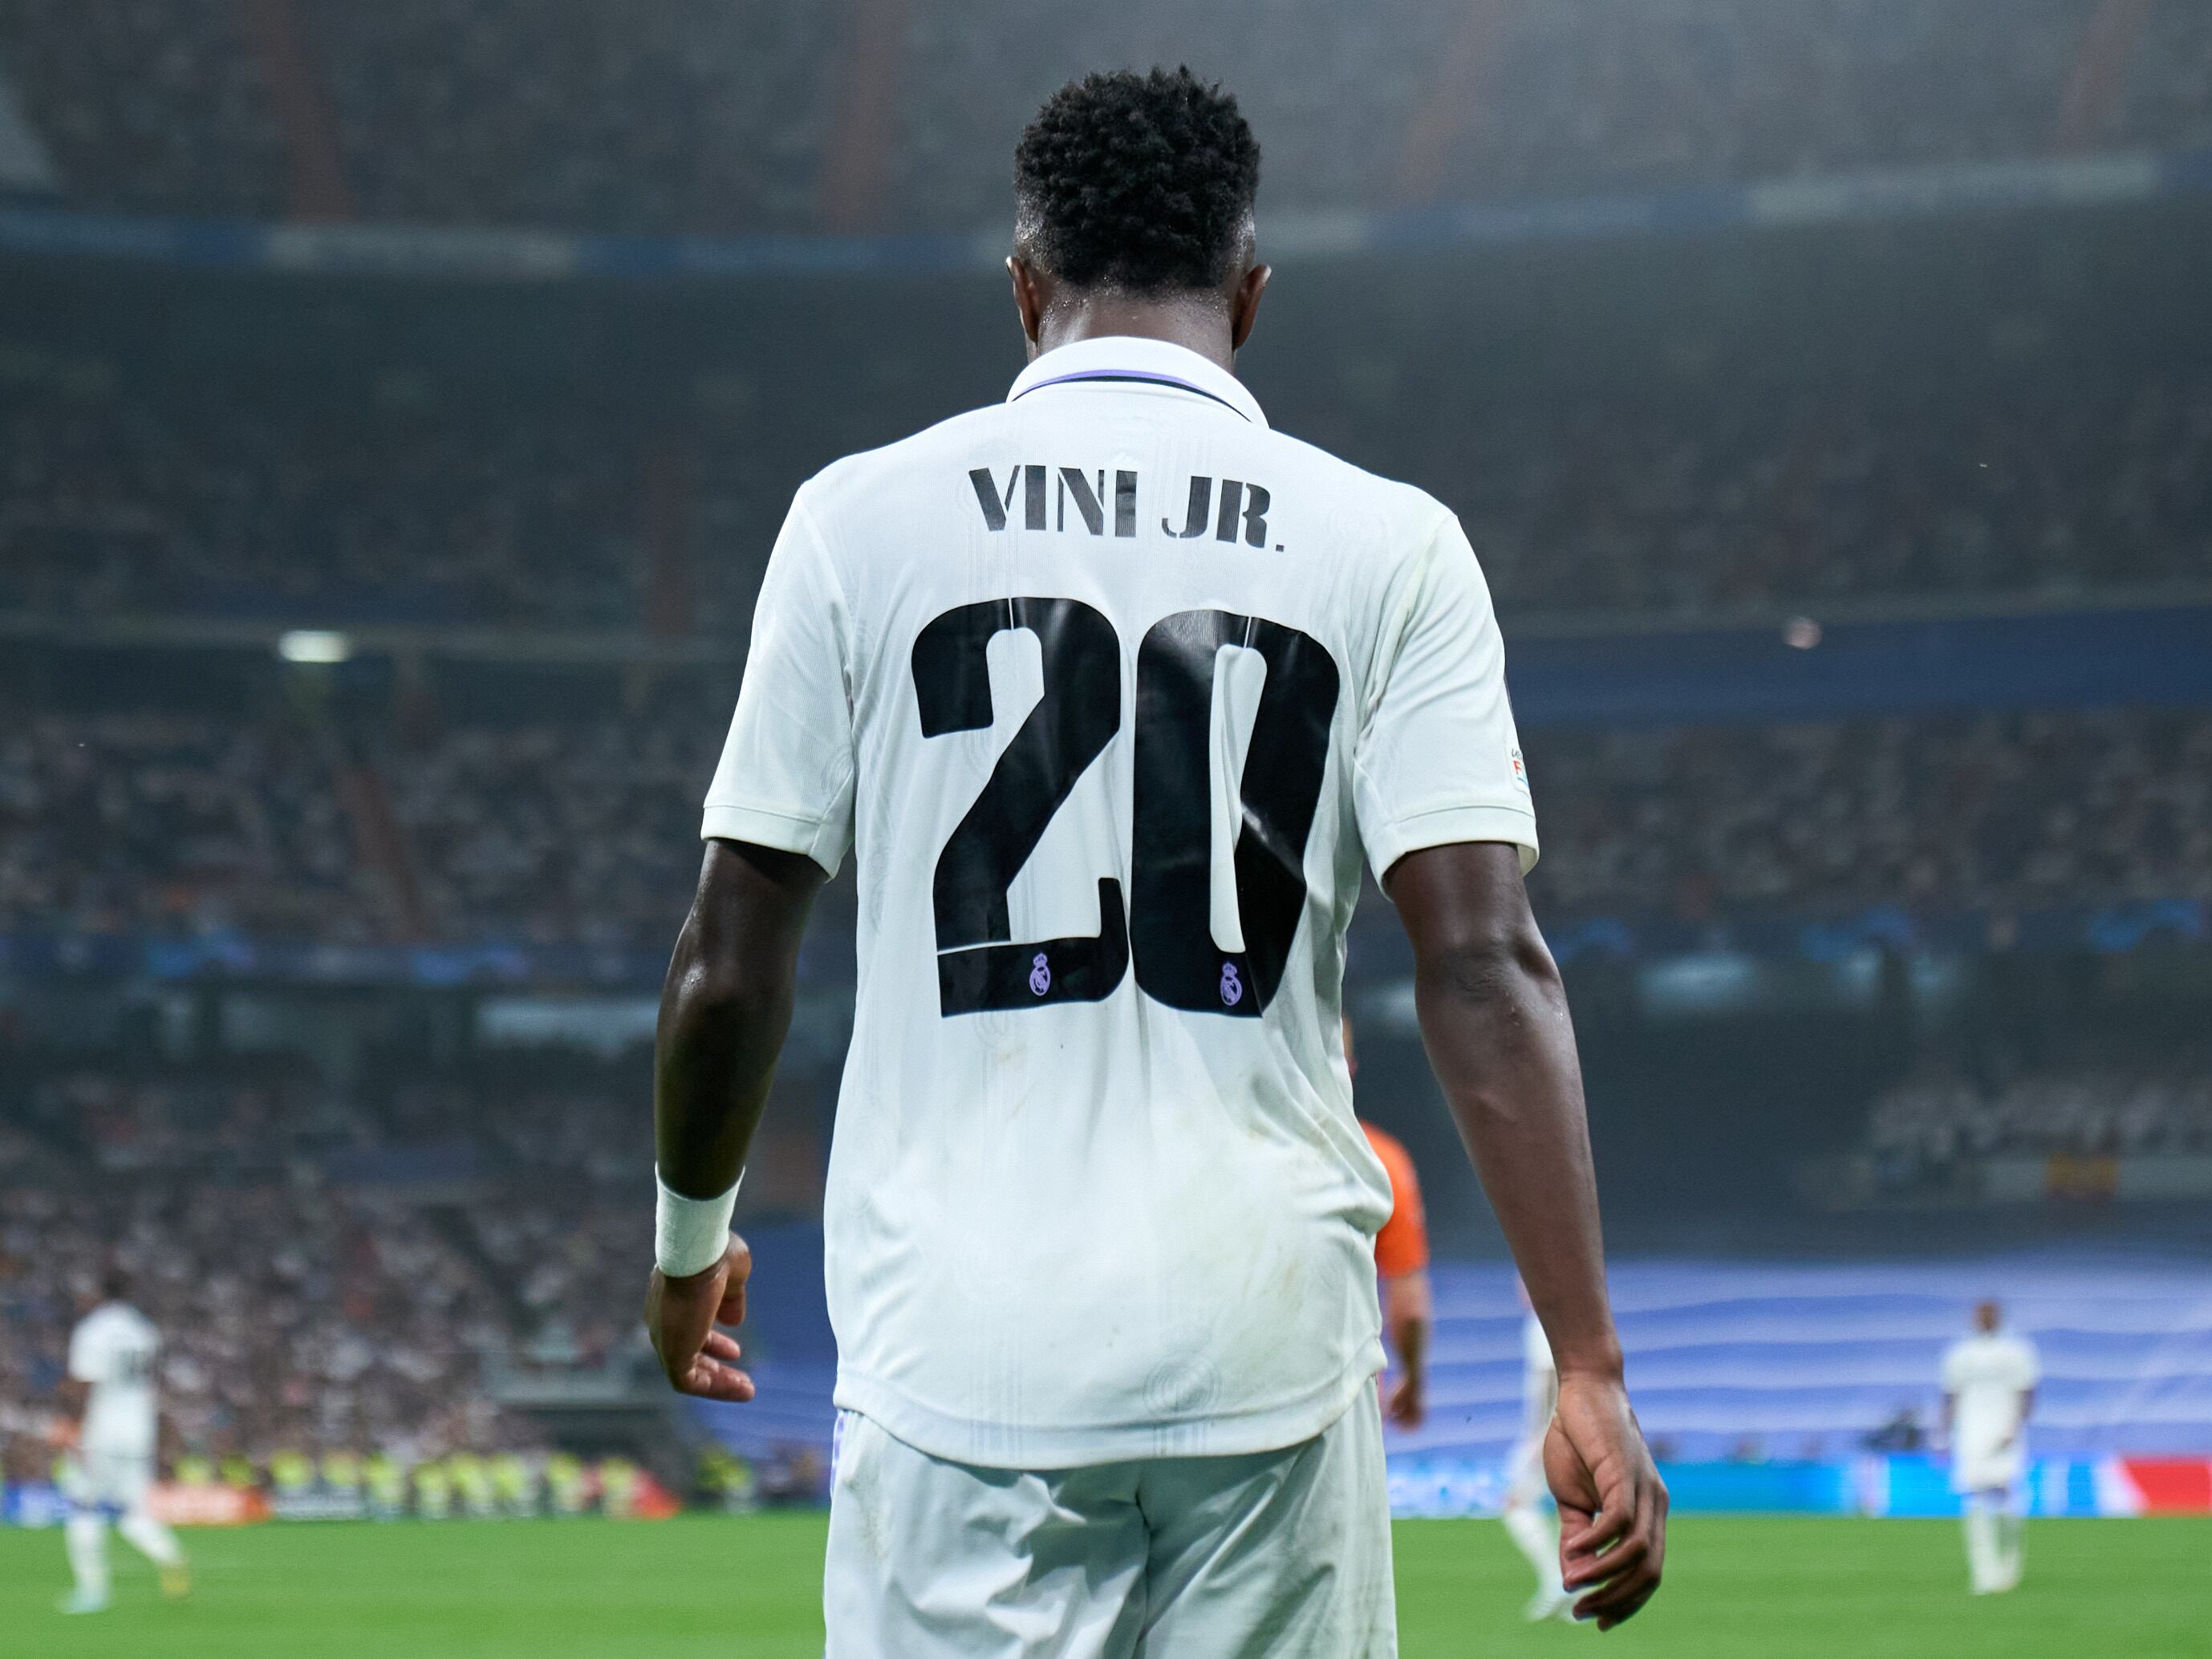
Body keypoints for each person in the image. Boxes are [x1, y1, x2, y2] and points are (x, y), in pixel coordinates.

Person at [644, 67, 1666, 1655]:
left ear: (1022, 285)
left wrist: (686, 1248)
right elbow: (1480, 959)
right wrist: (1583, 1353)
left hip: (958, 1350)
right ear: (1250, 296)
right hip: (1262, 1337)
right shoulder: (1389, 540)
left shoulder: (855, 522)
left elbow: (731, 953)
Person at [53, 1269, 189, 1613]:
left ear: (98, 1292)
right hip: (138, 1430)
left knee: (83, 1507)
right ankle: (172, 1556)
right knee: (133, 1511)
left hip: (101, 1430)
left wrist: (72, 1428)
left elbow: (84, 1383)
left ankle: (92, 1591)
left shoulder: (93, 1331)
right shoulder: (144, 1330)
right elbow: (150, 1383)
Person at [1344, 1017, 1433, 1430]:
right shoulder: (1380, 1161)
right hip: (1342, 1393)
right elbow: (1410, 1304)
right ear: (1348, 1066)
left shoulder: (1218, 1151)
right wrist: (1412, 1379)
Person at [1942, 1299, 2039, 1595]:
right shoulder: (1960, 1354)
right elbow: (1950, 1395)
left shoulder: (2017, 1351)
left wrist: (2015, 1427)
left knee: (2007, 1498)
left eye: (1988, 1313)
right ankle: (1984, 1573)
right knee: (1974, 1498)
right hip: (1970, 1433)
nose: (1982, 1318)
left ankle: (2010, 1563)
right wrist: (1944, 1434)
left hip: (2005, 1432)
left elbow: (2027, 1392)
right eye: (1978, 1313)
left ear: (1998, 1317)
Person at [1502, 1286, 1575, 1621]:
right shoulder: (1563, 1322)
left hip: (1549, 1434)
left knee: (1516, 1504)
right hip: (1566, 1432)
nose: (1519, 1287)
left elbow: (1552, 1380)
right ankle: (1574, 1590)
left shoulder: (1542, 1325)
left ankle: (1556, 1582)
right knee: (1571, 1511)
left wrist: (1541, 1435)